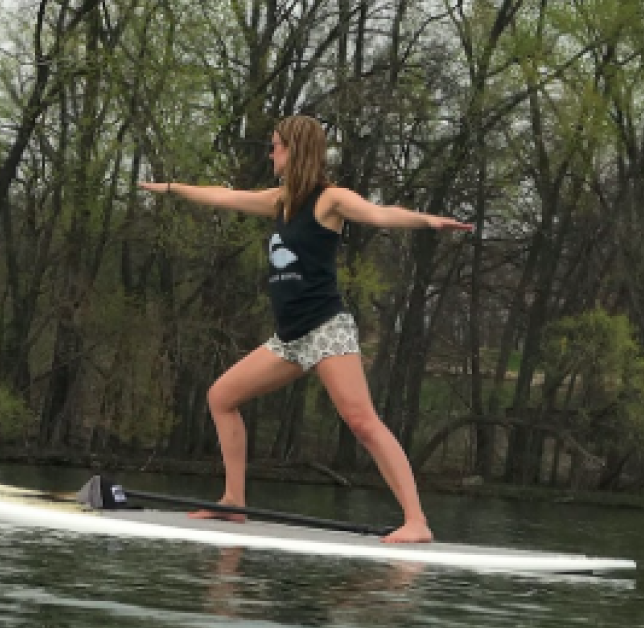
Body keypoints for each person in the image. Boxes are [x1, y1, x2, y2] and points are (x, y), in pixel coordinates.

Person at [139, 115, 472, 543]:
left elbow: (377, 214)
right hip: (289, 339)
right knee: (221, 396)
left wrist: (426, 221)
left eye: (276, 145)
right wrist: (171, 189)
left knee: (362, 422)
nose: (271, 152)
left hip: (325, 330)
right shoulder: (279, 202)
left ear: (295, 150)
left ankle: (416, 522)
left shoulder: (329, 200)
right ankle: (233, 503)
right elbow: (225, 197)